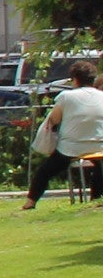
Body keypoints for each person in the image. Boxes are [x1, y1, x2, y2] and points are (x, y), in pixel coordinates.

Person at [23, 58, 103, 207]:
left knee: (45, 172)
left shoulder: (66, 96)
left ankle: (31, 202)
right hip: (99, 146)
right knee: (100, 167)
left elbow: (54, 119)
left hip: (71, 148)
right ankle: (97, 199)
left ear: (75, 80)